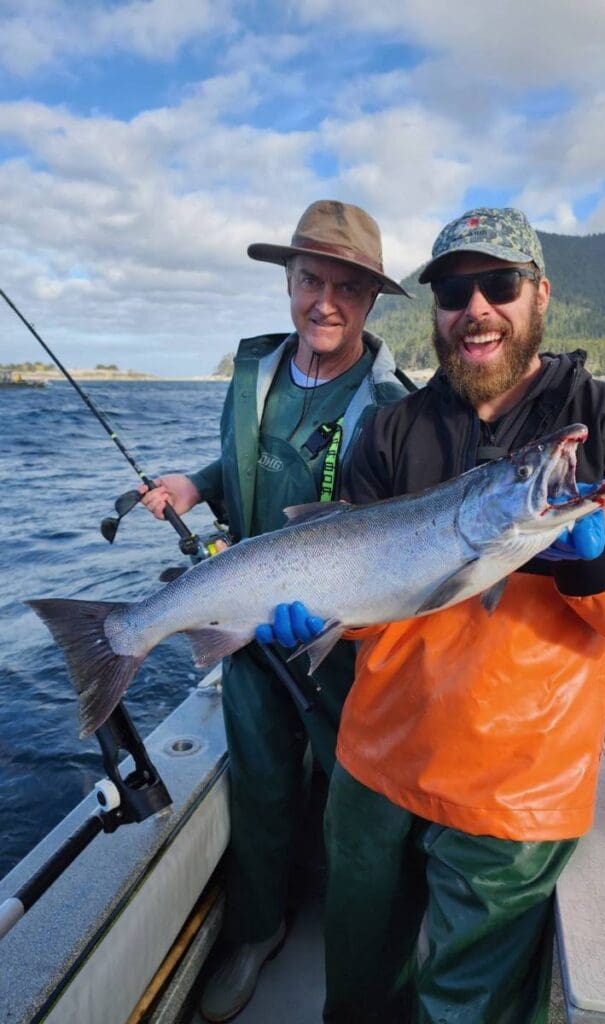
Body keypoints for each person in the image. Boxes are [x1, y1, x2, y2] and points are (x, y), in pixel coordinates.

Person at [268, 207, 605, 1023]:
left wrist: (599, 561)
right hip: (375, 765)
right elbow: (367, 589)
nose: (476, 309)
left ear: (540, 294)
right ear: (435, 312)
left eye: (498, 285)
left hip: (515, 791)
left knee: (468, 1008)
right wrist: (323, 620)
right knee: (357, 991)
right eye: (455, 291)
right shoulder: (391, 430)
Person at [140, 199, 410, 1023]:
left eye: (345, 288)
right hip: (251, 629)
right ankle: (256, 930)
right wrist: (199, 483)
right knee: (259, 781)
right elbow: (244, 464)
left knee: (357, 793)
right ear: (288, 283)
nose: (324, 301)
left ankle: (359, 946)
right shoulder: (253, 372)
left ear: (370, 301)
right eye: (308, 280)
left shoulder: (395, 401)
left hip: (348, 634)